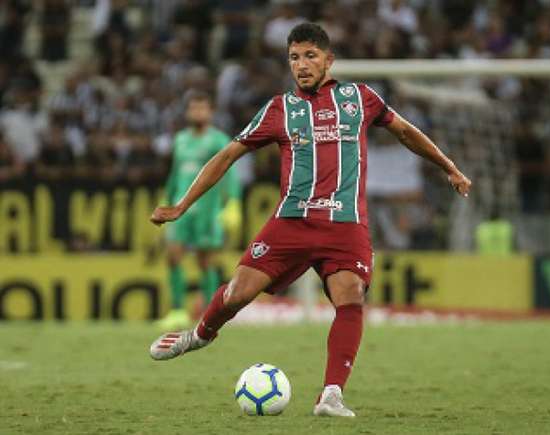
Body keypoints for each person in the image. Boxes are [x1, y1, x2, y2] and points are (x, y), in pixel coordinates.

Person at [148, 23, 471, 417]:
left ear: (329, 60)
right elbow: (228, 155)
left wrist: (449, 167)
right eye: (294, 58)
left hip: (345, 223)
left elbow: (405, 131)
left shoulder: (359, 98)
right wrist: (182, 204)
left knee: (350, 296)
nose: (301, 65)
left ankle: (332, 393)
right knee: (237, 293)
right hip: (292, 222)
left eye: (310, 56)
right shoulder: (279, 109)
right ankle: (199, 335)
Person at [155, 91, 242, 330]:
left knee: (206, 262)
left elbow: (229, 174)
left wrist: (232, 202)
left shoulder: (219, 140)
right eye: (193, 109)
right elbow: (175, 173)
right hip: (180, 210)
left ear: (211, 112)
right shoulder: (181, 139)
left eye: (202, 109)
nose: (197, 113)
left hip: (207, 210)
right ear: (187, 112)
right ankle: (177, 311)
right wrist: (166, 197)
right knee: (173, 256)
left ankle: (208, 314)